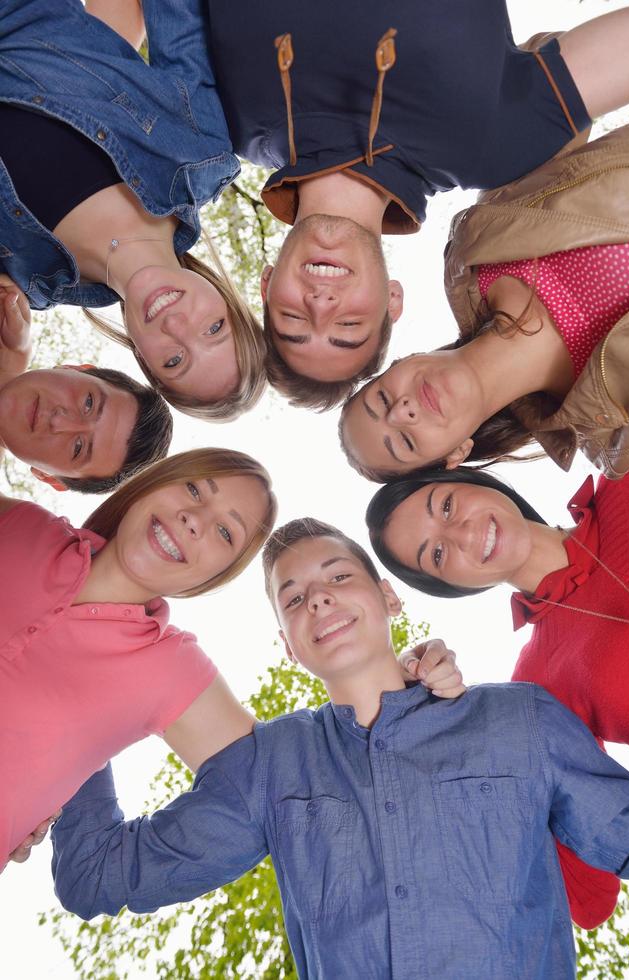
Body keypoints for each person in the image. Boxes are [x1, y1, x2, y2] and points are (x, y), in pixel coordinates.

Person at [51, 519, 629, 979]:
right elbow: (95, 875)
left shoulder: (519, 720)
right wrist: (80, 708)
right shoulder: (268, 766)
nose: (317, 599)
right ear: (289, 645)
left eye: (339, 576)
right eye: (293, 598)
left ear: (389, 598)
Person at [197, 0, 629, 408]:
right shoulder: (493, 149)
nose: (321, 304)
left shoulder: (215, 116)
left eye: (293, 318)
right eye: (349, 327)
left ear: (267, 284)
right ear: (392, 300)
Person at [366, 464, 629, 925]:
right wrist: (437, 723)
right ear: (451, 588)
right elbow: (589, 898)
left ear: (476, 480)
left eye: (445, 505)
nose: (459, 534)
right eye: (437, 554)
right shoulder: (537, 688)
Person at [0, 448, 278, 871]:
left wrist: (410, 682)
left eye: (225, 533)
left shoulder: (171, 670)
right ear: (154, 481)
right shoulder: (22, 526)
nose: (195, 519)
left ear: (215, 576)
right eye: (193, 488)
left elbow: (277, 790)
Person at [340, 115, 629, 480]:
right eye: (406, 442)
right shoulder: (627, 441)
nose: (401, 413)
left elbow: (560, 90)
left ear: (403, 361)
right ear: (457, 452)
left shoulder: (479, 244)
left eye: (381, 400)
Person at [0, 0, 265, 422]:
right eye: (214, 329)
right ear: (228, 300)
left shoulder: (27, 283)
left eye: (174, 361)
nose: (177, 327)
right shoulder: (200, 151)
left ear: (142, 358)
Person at [0, 275, 172, 493]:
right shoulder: (15, 295)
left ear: (50, 478)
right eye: (89, 403)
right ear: (77, 369)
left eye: (78, 448)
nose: (59, 420)